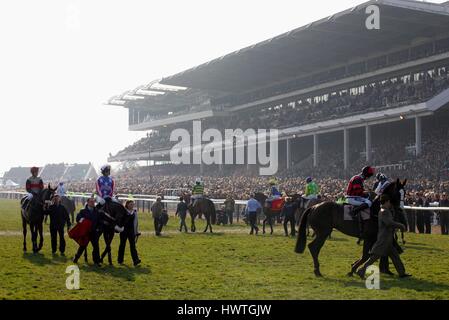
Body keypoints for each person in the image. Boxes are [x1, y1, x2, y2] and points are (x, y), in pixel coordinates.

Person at [356, 194, 411, 279]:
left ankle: (402, 273)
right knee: (374, 257)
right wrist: (401, 225)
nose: (390, 204)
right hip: (384, 239)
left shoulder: (384, 210)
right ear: (387, 201)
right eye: (389, 202)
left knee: (395, 255)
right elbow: (389, 223)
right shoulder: (384, 211)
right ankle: (361, 270)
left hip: (387, 239)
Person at [73, 197, 102, 265]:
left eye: (93, 202)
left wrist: (98, 229)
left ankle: (97, 261)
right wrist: (82, 220)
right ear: (88, 202)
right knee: (82, 246)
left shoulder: (97, 211)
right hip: (85, 232)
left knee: (96, 247)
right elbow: (78, 219)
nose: (92, 203)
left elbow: (100, 222)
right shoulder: (83, 211)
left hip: (94, 232)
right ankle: (76, 257)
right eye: (91, 201)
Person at [117, 200, 141, 266]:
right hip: (124, 231)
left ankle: (135, 260)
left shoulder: (134, 212)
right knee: (122, 245)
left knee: (133, 246)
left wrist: (136, 231)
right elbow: (120, 220)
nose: (132, 206)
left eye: (133, 204)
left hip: (131, 231)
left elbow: (136, 223)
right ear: (127, 205)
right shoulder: (123, 211)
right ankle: (120, 260)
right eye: (131, 204)